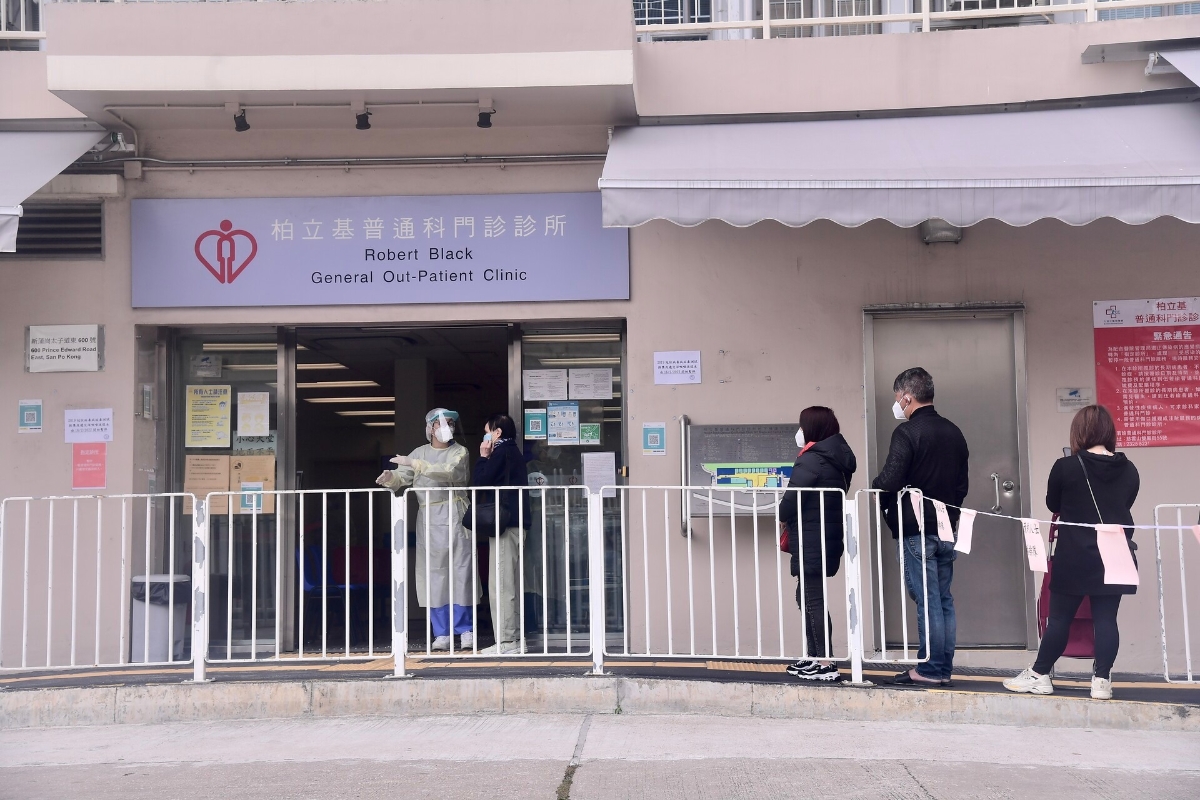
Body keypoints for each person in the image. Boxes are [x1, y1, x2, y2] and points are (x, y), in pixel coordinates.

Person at [1004, 405, 1139, 700]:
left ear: (1079, 432)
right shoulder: (1129, 469)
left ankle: (1040, 675)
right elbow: (1125, 503)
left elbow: (1054, 504)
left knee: (1060, 619)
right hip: (1115, 553)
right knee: (1106, 620)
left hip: (1075, 555)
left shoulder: (1066, 467)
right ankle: (1101, 682)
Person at [872, 367, 969, 687]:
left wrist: (877, 488)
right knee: (943, 599)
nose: (897, 404)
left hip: (916, 529)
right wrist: (950, 515)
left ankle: (929, 669)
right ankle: (942, 668)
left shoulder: (907, 433)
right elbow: (962, 485)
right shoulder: (954, 431)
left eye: (897, 398)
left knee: (927, 600)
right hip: (947, 527)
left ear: (907, 397)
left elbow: (890, 479)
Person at [376, 408, 479, 651]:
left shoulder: (459, 452)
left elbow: (450, 472)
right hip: (430, 518)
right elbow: (403, 477)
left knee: (462, 571)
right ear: (430, 428)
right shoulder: (419, 452)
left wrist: (415, 464)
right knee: (434, 574)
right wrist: (390, 478)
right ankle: (441, 632)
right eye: (441, 423)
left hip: (456, 514)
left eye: (450, 422)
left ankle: (465, 630)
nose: (446, 427)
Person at [777, 406, 857, 683]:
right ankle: (814, 656)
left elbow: (791, 499)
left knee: (812, 598)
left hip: (812, 536)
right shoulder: (837, 458)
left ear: (812, 428)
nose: (799, 432)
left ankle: (825, 661)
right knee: (807, 596)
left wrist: (781, 515)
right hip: (825, 535)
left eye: (802, 426)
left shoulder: (812, 459)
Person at [471, 413, 531, 655]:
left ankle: (506, 642)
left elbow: (480, 482)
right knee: (511, 584)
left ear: (497, 433)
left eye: (487, 432)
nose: (485, 437)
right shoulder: (513, 452)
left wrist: (482, 457)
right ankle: (515, 640)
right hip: (516, 523)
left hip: (505, 524)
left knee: (501, 585)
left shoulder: (501, 452)